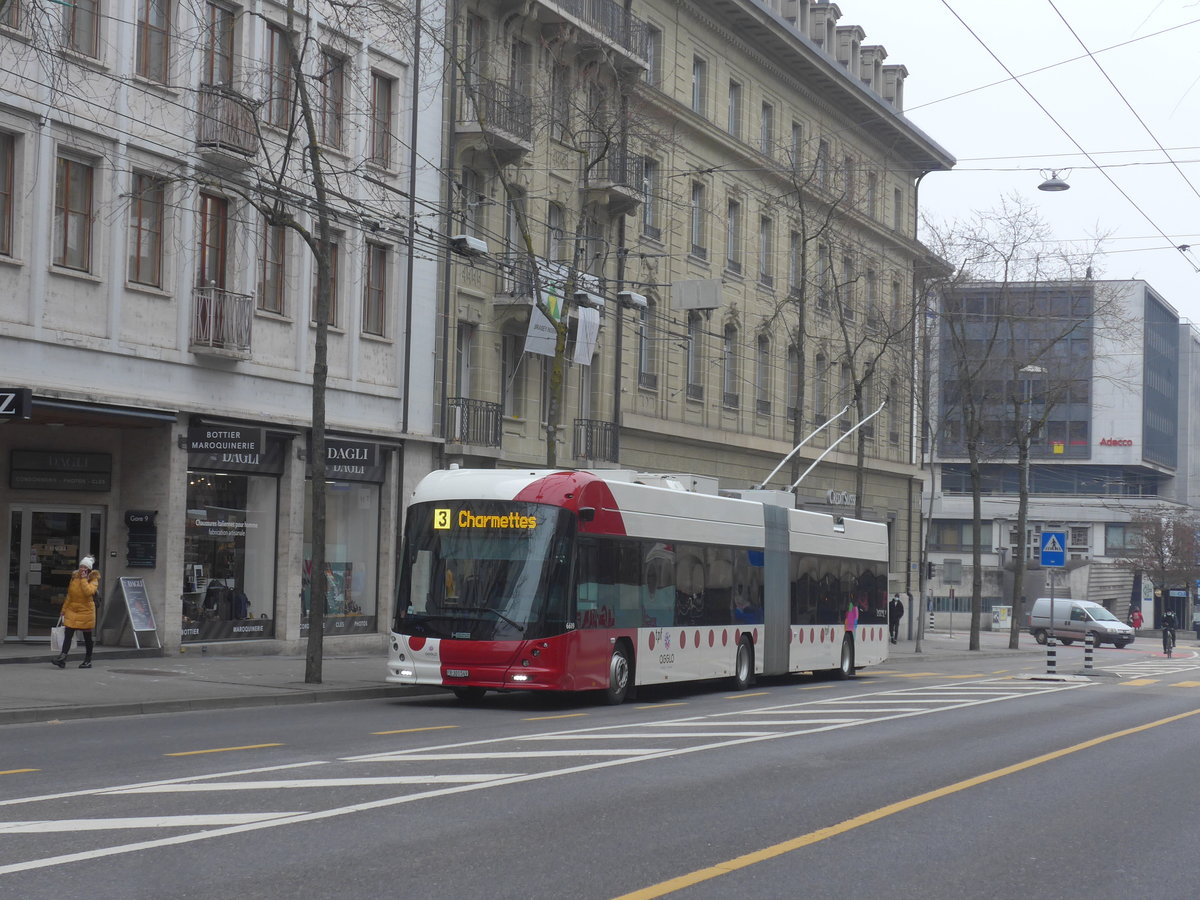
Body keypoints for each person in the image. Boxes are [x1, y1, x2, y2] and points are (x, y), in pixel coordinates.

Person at [53, 556, 100, 669]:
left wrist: (84, 579)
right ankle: (62, 658)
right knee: (68, 634)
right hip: (72, 609)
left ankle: (88, 660)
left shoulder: (93, 579)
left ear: (89, 569)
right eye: (81, 566)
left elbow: (88, 592)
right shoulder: (74, 577)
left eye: (84, 567)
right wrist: (63, 610)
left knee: (87, 637)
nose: (82, 569)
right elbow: (69, 595)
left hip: (86, 611)